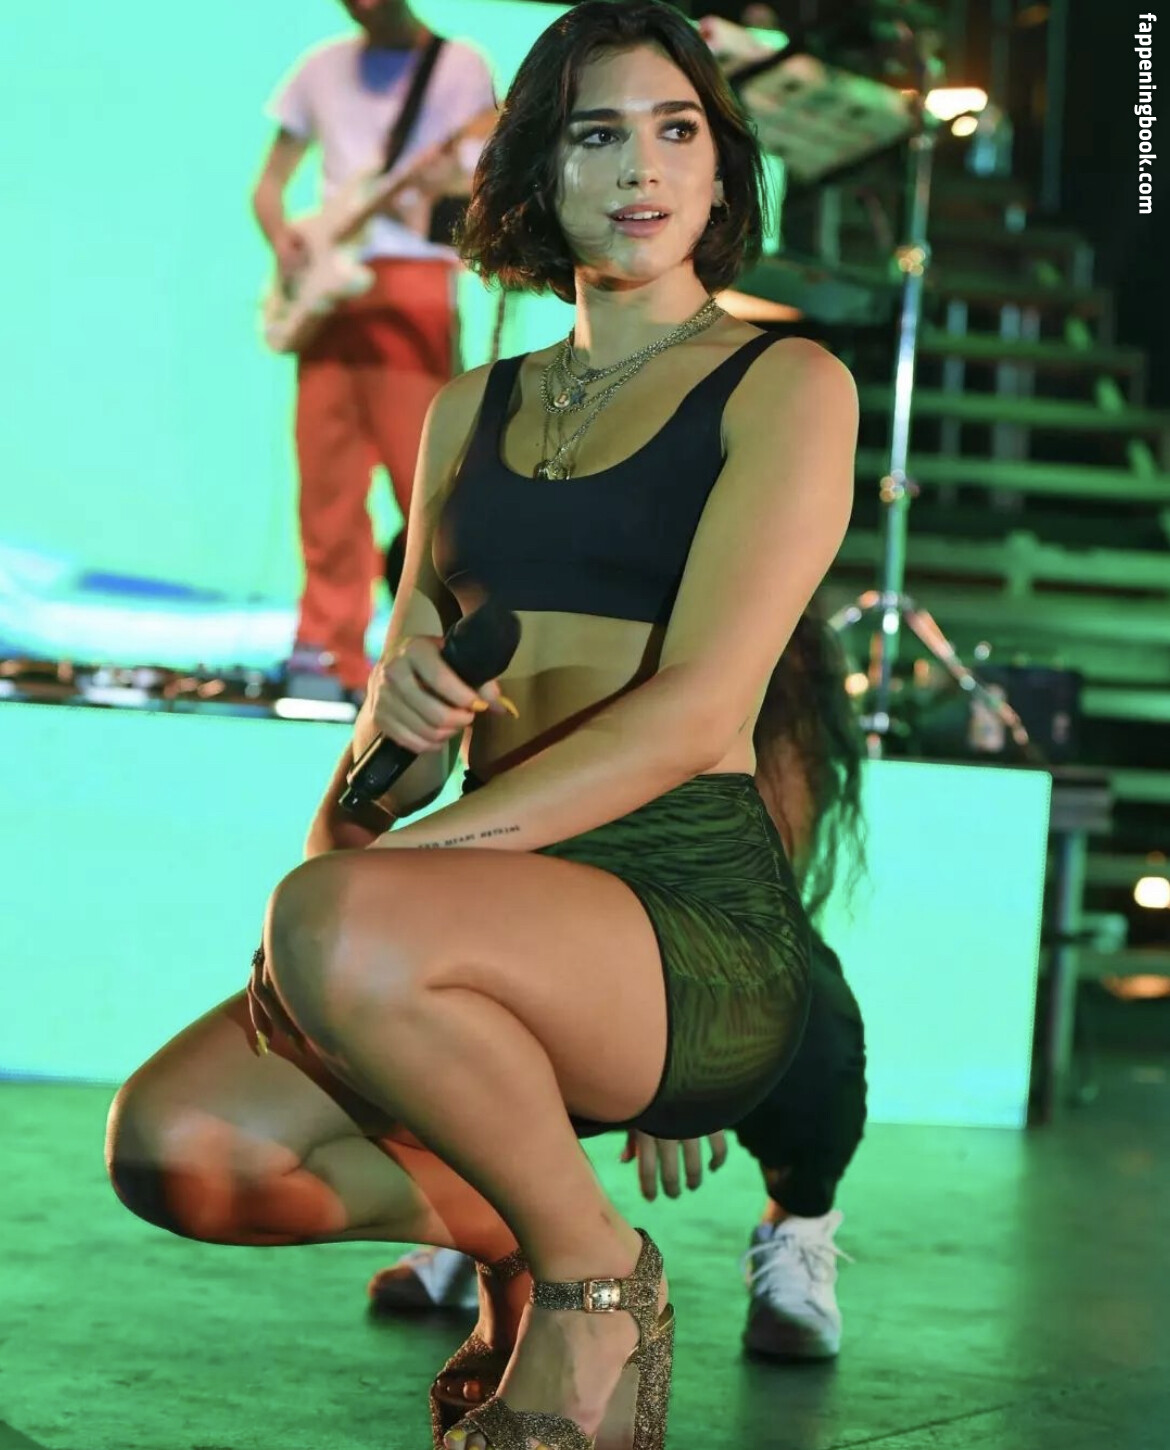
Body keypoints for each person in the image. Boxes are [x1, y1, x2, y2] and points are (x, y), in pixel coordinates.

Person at [106, 4, 858, 1448]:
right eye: (596, 133)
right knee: (174, 1146)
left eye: (676, 129)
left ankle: (595, 1284)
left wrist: (377, 886)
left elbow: (695, 715)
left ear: (720, 169)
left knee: (330, 917)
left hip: (680, 916)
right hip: (470, 906)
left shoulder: (786, 386)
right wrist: (379, 758)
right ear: (532, 170)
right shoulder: (466, 409)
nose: (641, 167)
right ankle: (520, 1224)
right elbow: (382, 783)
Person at [369, 609, 868, 1388]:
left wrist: (681, 1027)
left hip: (699, 906)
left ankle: (797, 1226)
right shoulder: (527, 583)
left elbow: (776, 849)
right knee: (432, 998)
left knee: (820, 1021)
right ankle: (483, 1219)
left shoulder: (773, 628)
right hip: (540, 892)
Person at [253, 0, 496, 695]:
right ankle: (325, 650)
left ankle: (435, 653)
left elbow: (480, 199)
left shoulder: (460, 66)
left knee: (425, 483)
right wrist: (284, 239)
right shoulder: (321, 67)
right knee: (325, 481)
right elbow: (268, 187)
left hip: (413, 286)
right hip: (329, 290)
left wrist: (423, 194)